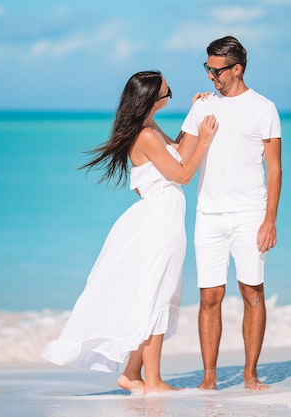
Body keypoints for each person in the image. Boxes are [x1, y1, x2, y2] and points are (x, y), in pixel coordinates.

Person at [42, 70, 218, 395]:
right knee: (156, 295)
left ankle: (132, 374)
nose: (170, 96)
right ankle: (152, 381)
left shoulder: (149, 128)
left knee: (151, 292)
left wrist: (195, 116)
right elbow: (182, 174)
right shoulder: (146, 135)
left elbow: (178, 148)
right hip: (159, 220)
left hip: (160, 216)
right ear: (152, 99)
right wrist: (205, 139)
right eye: (168, 93)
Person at [178, 35, 282, 391]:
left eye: (216, 70)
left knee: (252, 290)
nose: (210, 76)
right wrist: (187, 113)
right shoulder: (203, 105)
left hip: (250, 213)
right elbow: (178, 151)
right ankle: (209, 377)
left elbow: (274, 167)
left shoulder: (263, 108)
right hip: (208, 214)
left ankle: (250, 373)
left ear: (236, 69)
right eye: (207, 68)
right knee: (210, 296)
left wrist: (270, 219)